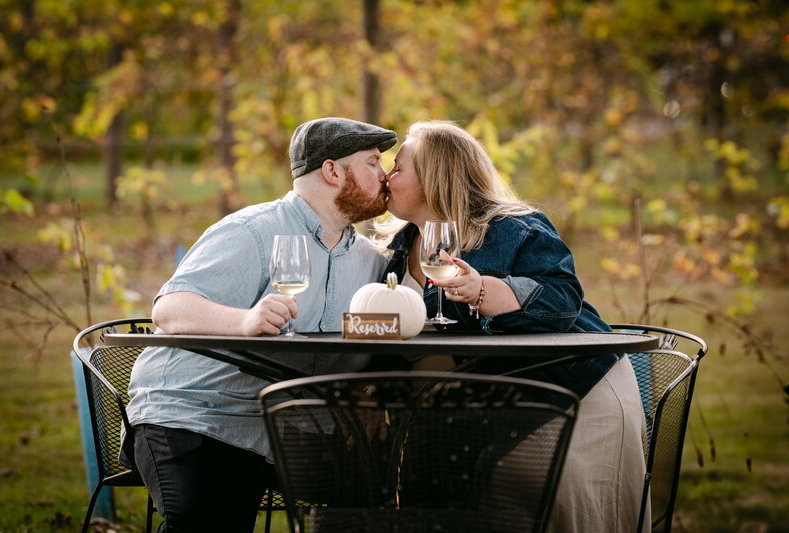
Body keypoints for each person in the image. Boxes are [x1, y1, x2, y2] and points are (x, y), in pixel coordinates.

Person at [376, 120, 649, 532]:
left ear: (435, 177)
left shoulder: (511, 227)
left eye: (399, 167)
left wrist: (483, 289)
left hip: (570, 388)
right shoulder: (398, 253)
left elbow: (562, 301)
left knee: (560, 512)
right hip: (485, 406)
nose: (387, 176)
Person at [125, 117, 396, 532]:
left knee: (386, 500)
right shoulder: (252, 231)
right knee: (205, 521)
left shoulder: (370, 262)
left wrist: (372, 390)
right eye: (374, 163)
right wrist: (245, 320)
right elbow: (170, 307)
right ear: (332, 171)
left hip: (288, 424)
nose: (385, 174)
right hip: (195, 411)